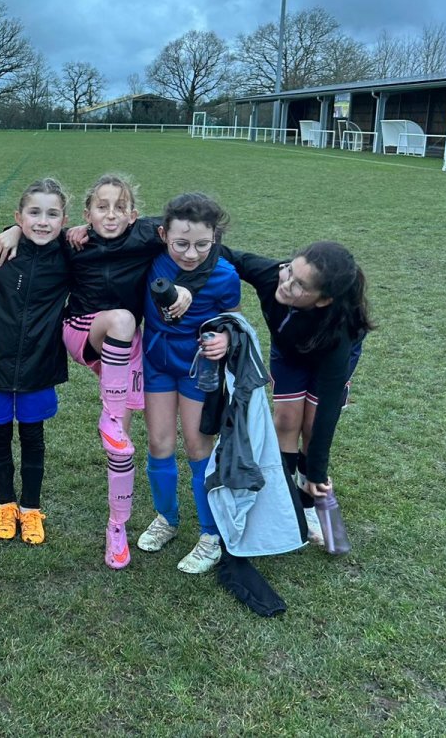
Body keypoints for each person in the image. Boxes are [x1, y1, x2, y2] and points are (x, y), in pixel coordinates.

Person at [0, 173, 161, 570]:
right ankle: (107, 417)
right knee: (121, 320)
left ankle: (116, 529)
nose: (111, 214)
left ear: (133, 214)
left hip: (127, 349)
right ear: (86, 214)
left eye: (120, 207)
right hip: (87, 332)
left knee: (124, 450)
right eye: (101, 207)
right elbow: (38, 229)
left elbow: (189, 235)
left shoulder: (143, 238)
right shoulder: (70, 246)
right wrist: (13, 231)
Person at [220, 241, 375, 544]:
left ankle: (307, 503)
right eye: (290, 270)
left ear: (322, 300)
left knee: (312, 424)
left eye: (300, 285)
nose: (286, 284)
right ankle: (284, 499)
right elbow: (221, 251)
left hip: (327, 357)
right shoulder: (271, 274)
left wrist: (318, 471)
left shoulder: (340, 334)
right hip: (289, 351)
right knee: (286, 420)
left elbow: (328, 414)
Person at [135, 193, 240, 575]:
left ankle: (211, 535)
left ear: (216, 237)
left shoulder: (225, 274)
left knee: (198, 448)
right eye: (181, 243)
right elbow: (122, 227)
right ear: (163, 235)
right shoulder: (152, 258)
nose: (191, 254)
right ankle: (167, 518)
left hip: (199, 369)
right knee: (159, 443)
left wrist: (226, 338)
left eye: (201, 244)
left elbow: (234, 321)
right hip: (158, 363)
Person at [0, 178, 71, 545]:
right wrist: (11, 234)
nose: (42, 221)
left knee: (33, 438)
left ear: (64, 221)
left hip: (40, 364)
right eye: (34, 213)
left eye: (52, 214)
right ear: (18, 216)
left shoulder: (69, 255)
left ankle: (31, 508)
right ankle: (6, 504)